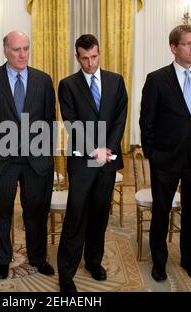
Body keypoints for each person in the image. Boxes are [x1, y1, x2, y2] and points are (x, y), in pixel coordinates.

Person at [139, 25, 191, 282]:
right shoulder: (156, 79)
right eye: (188, 43)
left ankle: (189, 260)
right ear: (174, 48)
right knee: (161, 213)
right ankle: (159, 263)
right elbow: (147, 122)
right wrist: (153, 154)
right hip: (166, 159)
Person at [0, 31, 56, 279]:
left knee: (36, 211)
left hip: (36, 161)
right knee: (1, 212)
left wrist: (46, 151)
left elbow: (50, 120)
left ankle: (38, 258)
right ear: (6, 50)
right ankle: (2, 260)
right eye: (17, 49)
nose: (22, 54)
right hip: (0, 160)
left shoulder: (43, 79)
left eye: (26, 49)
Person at [57, 34, 128, 292]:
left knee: (100, 214)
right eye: (85, 58)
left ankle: (93, 262)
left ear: (100, 53)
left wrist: (106, 148)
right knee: (76, 216)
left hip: (107, 160)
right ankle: (66, 273)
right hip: (82, 161)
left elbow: (120, 117)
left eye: (94, 57)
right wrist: (92, 149)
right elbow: (71, 122)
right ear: (77, 57)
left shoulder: (116, 81)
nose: (90, 63)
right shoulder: (68, 85)